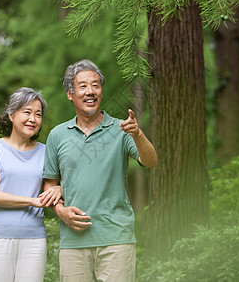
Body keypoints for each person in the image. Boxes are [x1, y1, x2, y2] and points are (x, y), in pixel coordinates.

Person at [43, 60, 157, 282]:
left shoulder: (122, 129)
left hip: (116, 238)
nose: (90, 91)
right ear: (70, 93)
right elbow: (50, 184)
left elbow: (150, 161)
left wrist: (138, 134)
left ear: (101, 92)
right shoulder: (57, 135)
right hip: (73, 241)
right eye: (83, 86)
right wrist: (60, 211)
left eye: (95, 85)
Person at [0, 87, 61, 282]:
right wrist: (32, 201)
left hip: (34, 239)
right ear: (11, 114)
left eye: (38, 114)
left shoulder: (46, 152)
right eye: (27, 112)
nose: (33, 119)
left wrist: (59, 188)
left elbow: (58, 185)